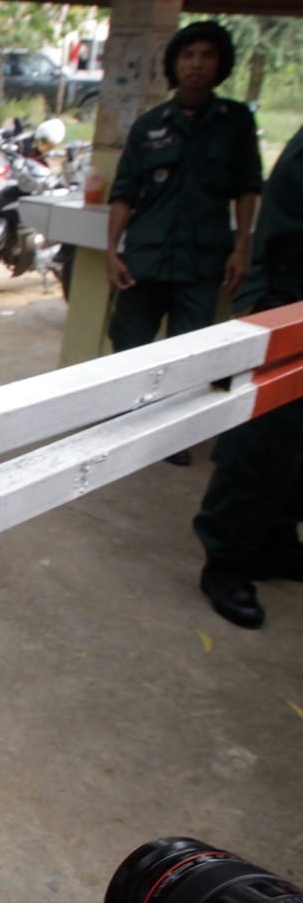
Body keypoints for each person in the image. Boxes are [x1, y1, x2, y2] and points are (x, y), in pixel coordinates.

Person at [105, 19, 261, 465]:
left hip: (201, 259)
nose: (196, 64)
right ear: (174, 64)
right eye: (188, 55)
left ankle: (171, 438)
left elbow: (248, 188)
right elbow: (123, 194)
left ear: (219, 65)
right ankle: (123, 426)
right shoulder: (150, 125)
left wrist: (242, 247)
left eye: (206, 56)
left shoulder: (234, 123)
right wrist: (112, 252)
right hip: (145, 258)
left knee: (189, 350)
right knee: (129, 344)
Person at [192, 124, 303, 629]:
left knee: (296, 449)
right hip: (285, 302)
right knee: (263, 442)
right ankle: (226, 560)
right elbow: (284, 240)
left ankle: (277, 540)